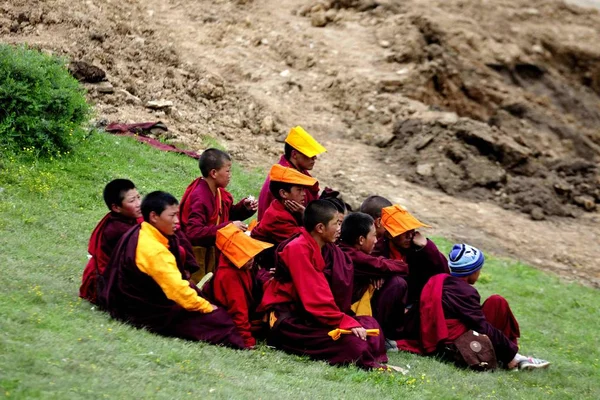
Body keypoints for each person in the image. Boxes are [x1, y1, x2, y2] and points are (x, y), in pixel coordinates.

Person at [98, 191, 245, 348]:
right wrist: (207, 308)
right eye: (172, 216)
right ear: (154, 216)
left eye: (177, 215)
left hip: (142, 295)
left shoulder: (145, 229)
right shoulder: (153, 249)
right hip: (143, 310)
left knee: (204, 298)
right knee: (221, 321)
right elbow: (176, 291)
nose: (177, 221)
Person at [258, 200, 387, 369]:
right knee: (353, 343)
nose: (340, 230)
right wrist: (344, 321)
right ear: (320, 228)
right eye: (336, 224)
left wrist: (345, 319)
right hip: (292, 319)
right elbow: (315, 297)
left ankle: (367, 353)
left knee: (371, 325)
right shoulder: (298, 249)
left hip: (317, 316)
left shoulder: (328, 249)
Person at [398, 243, 550, 371]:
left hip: (438, 336)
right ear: (471, 271)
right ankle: (515, 359)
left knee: (496, 302)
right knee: (498, 302)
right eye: (479, 269)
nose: (479, 273)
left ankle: (511, 356)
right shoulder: (466, 292)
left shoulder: (440, 280)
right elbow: (482, 326)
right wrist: (511, 352)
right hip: (454, 343)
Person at [179, 148, 257, 282]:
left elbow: (224, 214)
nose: (230, 175)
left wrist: (244, 208)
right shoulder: (200, 197)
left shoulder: (218, 192)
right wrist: (229, 227)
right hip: (197, 256)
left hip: (211, 252)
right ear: (214, 173)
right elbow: (193, 233)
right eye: (227, 170)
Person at [338, 212, 410, 346]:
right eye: (374, 236)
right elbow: (402, 267)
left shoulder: (345, 249)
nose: (376, 241)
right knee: (397, 283)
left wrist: (376, 273)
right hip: (345, 311)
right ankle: (384, 335)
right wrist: (378, 271)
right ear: (361, 240)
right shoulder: (353, 256)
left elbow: (378, 264)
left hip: (349, 306)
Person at [80, 179, 142, 304]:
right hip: (105, 285)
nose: (138, 203)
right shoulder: (117, 230)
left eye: (138, 197)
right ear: (116, 207)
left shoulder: (129, 219)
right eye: (132, 201)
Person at [212, 224, 273, 349]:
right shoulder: (229, 275)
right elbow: (238, 310)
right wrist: (247, 340)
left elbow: (257, 281)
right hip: (226, 319)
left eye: (252, 254)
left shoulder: (243, 267)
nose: (252, 259)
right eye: (246, 255)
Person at [251, 164, 317, 270]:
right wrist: (306, 215)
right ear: (283, 193)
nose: (304, 194)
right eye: (299, 190)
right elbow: (306, 239)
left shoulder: (287, 207)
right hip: (265, 264)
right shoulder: (277, 216)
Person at [257, 126, 325, 221]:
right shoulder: (283, 178)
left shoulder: (300, 171)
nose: (315, 158)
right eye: (310, 155)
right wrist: (307, 216)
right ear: (294, 154)